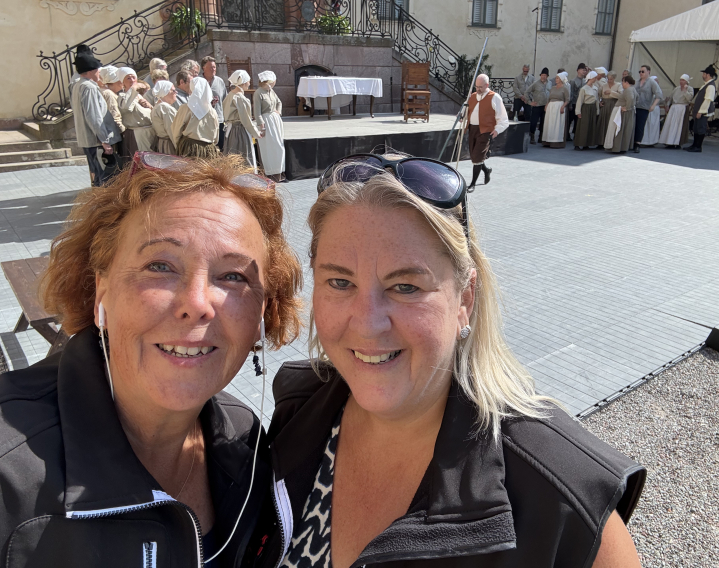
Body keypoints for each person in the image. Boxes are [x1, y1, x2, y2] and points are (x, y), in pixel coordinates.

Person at [256, 152, 647, 568]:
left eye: (406, 286)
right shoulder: (298, 411)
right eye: (340, 281)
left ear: (465, 299)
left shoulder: (562, 498)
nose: (368, 324)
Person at [0, 154, 303, 568]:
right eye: (160, 266)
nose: (196, 303)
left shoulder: (245, 443)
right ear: (101, 289)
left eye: (233, 276)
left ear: (263, 313)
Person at [70, 45, 121, 187]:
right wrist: (104, 140)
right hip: (96, 141)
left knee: (98, 178)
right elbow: (94, 116)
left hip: (89, 140)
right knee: (106, 179)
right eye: (97, 70)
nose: (99, 73)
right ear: (91, 71)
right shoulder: (89, 87)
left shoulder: (77, 85)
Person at [465, 74, 509, 192]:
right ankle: (486, 170)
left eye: (480, 87)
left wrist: (497, 130)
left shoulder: (494, 97)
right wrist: (462, 117)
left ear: (487, 85)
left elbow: (503, 118)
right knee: (475, 156)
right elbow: (468, 111)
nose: (478, 89)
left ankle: (472, 184)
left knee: (477, 156)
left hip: (485, 131)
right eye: (477, 87)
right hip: (472, 129)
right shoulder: (473, 96)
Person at [172, 76, 220, 158]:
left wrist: (179, 145)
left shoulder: (186, 108)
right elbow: (216, 135)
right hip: (208, 149)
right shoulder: (212, 112)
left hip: (189, 148)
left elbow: (176, 130)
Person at [224, 70, 262, 171]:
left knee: (232, 156)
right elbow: (246, 120)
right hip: (239, 131)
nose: (249, 84)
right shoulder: (239, 97)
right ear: (244, 82)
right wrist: (256, 133)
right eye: (248, 81)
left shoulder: (230, 95)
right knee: (243, 158)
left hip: (231, 131)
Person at [254, 71, 286, 182]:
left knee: (278, 147)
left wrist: (278, 112)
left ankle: (279, 172)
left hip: (275, 122)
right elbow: (257, 112)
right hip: (266, 122)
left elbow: (279, 102)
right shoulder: (258, 93)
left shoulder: (271, 91)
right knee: (269, 148)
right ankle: (270, 174)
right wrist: (262, 126)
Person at [118, 66, 156, 158]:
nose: (132, 80)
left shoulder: (139, 96)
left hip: (149, 132)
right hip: (138, 134)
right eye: (128, 78)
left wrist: (150, 106)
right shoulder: (122, 96)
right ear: (122, 82)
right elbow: (126, 107)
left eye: (133, 77)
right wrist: (133, 88)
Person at [685, 66, 717, 153]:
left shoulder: (711, 86)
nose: (703, 75)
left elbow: (707, 100)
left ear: (708, 75)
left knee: (701, 128)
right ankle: (694, 145)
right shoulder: (706, 85)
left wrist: (701, 111)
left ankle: (698, 146)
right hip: (699, 111)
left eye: (704, 73)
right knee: (696, 128)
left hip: (703, 112)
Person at [632, 65, 663, 153]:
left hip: (644, 107)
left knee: (640, 126)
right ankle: (631, 143)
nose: (641, 73)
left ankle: (637, 144)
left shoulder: (652, 82)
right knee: (633, 125)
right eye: (640, 71)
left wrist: (653, 105)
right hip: (634, 106)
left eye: (643, 71)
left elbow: (659, 94)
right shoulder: (636, 82)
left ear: (648, 72)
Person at [604, 74, 636, 153]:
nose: (622, 84)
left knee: (617, 129)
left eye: (623, 82)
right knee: (623, 129)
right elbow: (636, 98)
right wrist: (631, 106)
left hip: (621, 111)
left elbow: (631, 98)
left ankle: (616, 147)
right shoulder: (633, 89)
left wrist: (627, 107)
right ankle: (621, 147)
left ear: (626, 82)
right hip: (626, 111)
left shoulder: (628, 90)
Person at [660, 74, 693, 148]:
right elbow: (670, 98)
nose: (681, 81)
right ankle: (669, 142)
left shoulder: (690, 89)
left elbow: (689, 99)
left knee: (679, 126)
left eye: (683, 80)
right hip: (674, 108)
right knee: (670, 125)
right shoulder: (676, 89)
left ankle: (677, 143)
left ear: (686, 81)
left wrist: (685, 91)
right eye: (680, 80)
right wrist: (667, 105)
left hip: (682, 108)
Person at [202, 56, 228, 151]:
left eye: (214, 67)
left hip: (219, 120)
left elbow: (225, 100)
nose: (213, 69)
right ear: (203, 68)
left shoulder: (220, 81)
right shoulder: (199, 81)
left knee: (220, 148)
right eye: (210, 67)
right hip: (204, 121)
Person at [541, 73, 570, 149]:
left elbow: (567, 99)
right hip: (551, 107)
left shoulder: (565, 88)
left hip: (559, 106)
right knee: (549, 123)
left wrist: (563, 107)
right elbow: (549, 98)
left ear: (561, 79)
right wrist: (547, 105)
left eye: (557, 78)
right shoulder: (553, 88)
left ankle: (556, 142)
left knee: (557, 125)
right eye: (556, 78)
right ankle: (547, 141)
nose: (556, 79)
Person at [574, 71, 600, 150]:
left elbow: (597, 100)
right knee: (583, 126)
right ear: (591, 78)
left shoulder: (595, 88)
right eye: (594, 78)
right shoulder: (584, 89)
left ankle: (586, 144)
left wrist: (597, 110)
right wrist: (578, 112)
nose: (595, 79)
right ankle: (578, 144)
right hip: (586, 108)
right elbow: (580, 100)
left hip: (592, 108)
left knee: (590, 126)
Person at [151, 80, 178, 155]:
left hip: (163, 143)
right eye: (173, 90)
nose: (176, 92)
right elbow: (172, 131)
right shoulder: (165, 108)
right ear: (166, 92)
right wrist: (180, 149)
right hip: (169, 145)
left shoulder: (158, 106)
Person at [523, 67, 549, 144]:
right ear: (540, 75)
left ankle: (541, 137)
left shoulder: (550, 83)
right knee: (534, 121)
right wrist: (529, 102)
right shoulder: (536, 84)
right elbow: (526, 92)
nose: (543, 77)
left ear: (547, 76)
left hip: (546, 106)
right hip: (537, 105)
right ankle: (532, 136)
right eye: (542, 75)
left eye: (545, 75)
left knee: (543, 122)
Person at [596, 71, 621, 148]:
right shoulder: (603, 86)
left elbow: (621, 95)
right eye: (608, 79)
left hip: (613, 104)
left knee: (611, 122)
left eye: (611, 79)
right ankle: (600, 142)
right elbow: (598, 96)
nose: (609, 81)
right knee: (603, 122)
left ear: (614, 78)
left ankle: (610, 142)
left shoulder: (618, 85)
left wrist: (611, 92)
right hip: (605, 104)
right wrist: (599, 103)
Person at [640, 76, 662, 146]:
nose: (657, 82)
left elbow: (660, 99)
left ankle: (653, 141)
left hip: (656, 109)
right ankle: (644, 141)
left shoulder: (658, 90)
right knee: (647, 126)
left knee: (654, 126)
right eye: (656, 80)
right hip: (649, 108)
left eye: (657, 80)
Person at [569, 63, 588, 140]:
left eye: (585, 70)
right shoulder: (573, 81)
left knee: (578, 120)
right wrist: (570, 104)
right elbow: (571, 93)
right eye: (582, 70)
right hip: (574, 103)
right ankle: (567, 135)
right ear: (578, 71)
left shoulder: (585, 81)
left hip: (581, 103)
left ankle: (576, 134)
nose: (584, 71)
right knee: (570, 119)